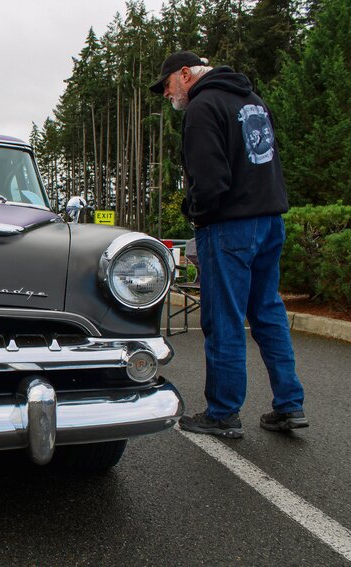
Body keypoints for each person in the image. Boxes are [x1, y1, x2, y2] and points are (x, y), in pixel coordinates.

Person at [150, 51, 308, 438]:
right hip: (270, 220)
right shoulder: (253, 101)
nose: (168, 95)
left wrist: (196, 212)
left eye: (168, 85)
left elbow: (210, 179)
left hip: (229, 226)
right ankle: (289, 405)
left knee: (224, 319)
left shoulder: (203, 108)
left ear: (185, 74)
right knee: (268, 312)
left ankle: (223, 412)